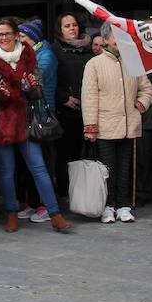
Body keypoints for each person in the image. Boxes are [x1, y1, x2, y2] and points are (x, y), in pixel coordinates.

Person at [0, 18, 71, 233]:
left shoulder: (29, 56)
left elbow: (39, 91)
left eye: (7, 34)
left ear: (16, 35)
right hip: (0, 123)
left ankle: (55, 214)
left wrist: (29, 87)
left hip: (26, 121)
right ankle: (11, 213)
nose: (3, 38)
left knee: (39, 168)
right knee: (7, 171)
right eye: (0, 35)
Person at [82, 23, 152, 223]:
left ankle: (123, 205)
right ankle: (107, 205)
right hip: (104, 126)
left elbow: (147, 89)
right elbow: (89, 97)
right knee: (107, 169)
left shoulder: (134, 62)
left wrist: (140, 104)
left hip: (129, 125)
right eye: (115, 36)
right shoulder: (94, 64)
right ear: (105, 39)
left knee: (124, 169)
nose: (119, 40)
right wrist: (90, 127)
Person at [17, 19, 58, 223]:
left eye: (22, 37)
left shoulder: (46, 56)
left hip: (41, 116)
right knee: (30, 165)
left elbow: (32, 81)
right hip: (28, 115)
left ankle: (46, 206)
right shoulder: (29, 55)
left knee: (44, 164)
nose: (19, 41)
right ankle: (33, 203)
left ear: (32, 38)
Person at [51, 12, 93, 198]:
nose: (72, 29)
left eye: (74, 25)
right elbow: (49, 79)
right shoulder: (54, 50)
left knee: (88, 155)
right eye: (67, 26)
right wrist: (63, 98)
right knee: (66, 155)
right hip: (67, 111)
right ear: (60, 30)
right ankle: (65, 192)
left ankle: (86, 193)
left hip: (88, 110)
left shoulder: (89, 49)